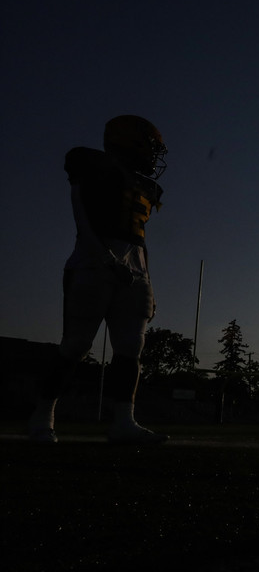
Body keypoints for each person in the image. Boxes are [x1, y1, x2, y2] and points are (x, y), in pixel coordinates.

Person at [28, 115, 170, 444]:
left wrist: (148, 279)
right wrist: (105, 259)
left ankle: (124, 422)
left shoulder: (146, 185)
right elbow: (80, 213)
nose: (153, 156)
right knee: (76, 344)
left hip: (134, 272)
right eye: (150, 147)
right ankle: (43, 416)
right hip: (91, 264)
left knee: (131, 348)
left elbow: (139, 239)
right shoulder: (90, 163)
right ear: (129, 140)